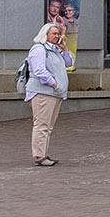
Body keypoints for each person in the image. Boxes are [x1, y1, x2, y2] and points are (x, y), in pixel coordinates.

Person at [24, 20, 74, 166]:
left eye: (58, 33)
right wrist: (54, 83)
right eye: (53, 33)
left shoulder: (56, 50)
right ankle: (39, 155)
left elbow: (69, 63)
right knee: (42, 124)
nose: (57, 36)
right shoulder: (39, 49)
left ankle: (43, 153)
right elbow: (39, 70)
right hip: (44, 92)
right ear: (45, 34)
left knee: (48, 126)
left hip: (55, 93)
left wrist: (64, 48)